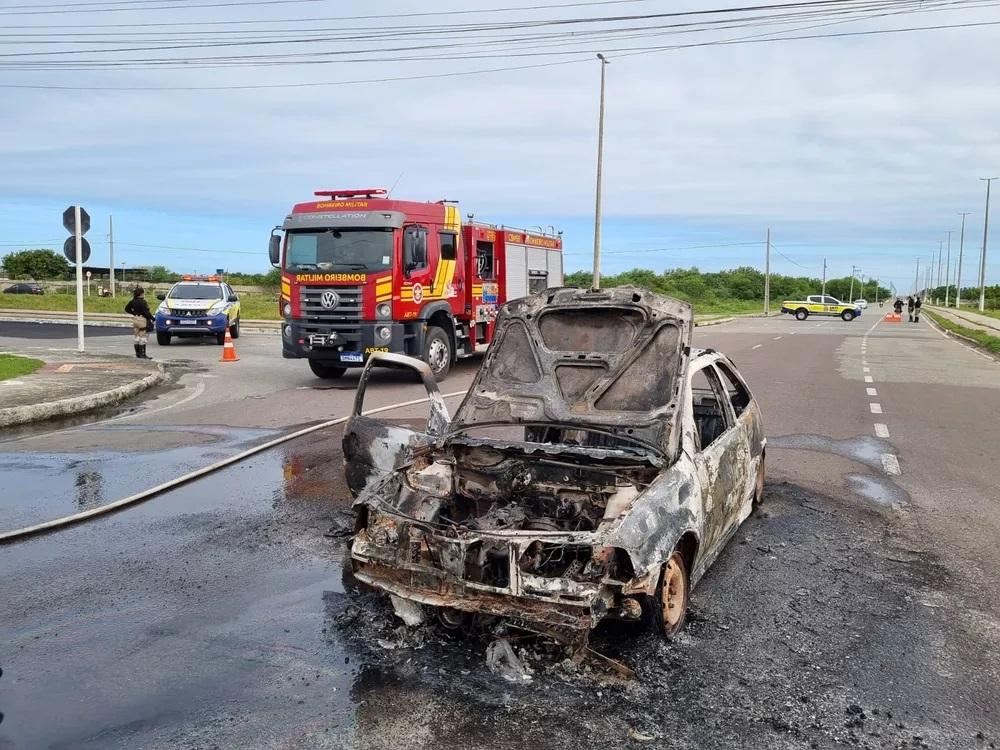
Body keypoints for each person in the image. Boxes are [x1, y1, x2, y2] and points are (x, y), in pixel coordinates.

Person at [124, 286, 154, 359]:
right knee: (143, 336)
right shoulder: (143, 302)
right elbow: (146, 312)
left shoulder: (132, 301)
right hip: (142, 320)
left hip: (136, 319)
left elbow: (127, 308)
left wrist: (134, 313)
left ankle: (137, 354)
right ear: (141, 294)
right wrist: (152, 318)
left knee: (136, 336)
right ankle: (143, 354)